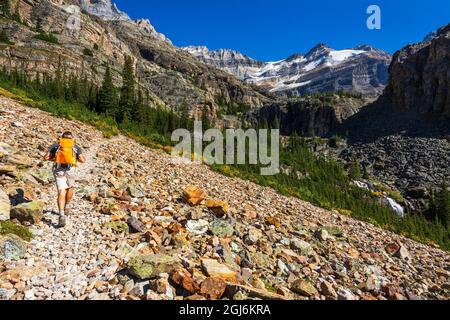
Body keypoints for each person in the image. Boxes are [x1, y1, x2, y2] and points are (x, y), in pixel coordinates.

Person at [44, 131, 86, 228]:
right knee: (70, 188)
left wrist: (55, 159)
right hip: (70, 170)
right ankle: (66, 206)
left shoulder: (56, 146)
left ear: (62, 138)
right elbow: (82, 160)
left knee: (61, 191)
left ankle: (61, 215)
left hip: (59, 170)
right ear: (72, 139)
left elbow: (46, 157)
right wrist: (74, 161)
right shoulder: (75, 147)